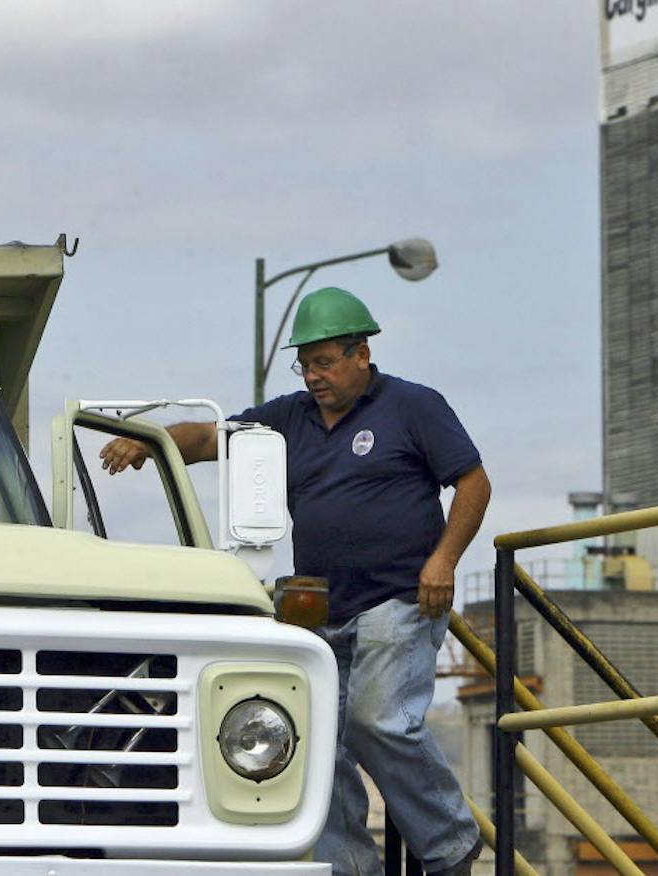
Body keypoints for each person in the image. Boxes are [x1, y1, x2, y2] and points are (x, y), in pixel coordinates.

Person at [100, 286, 489, 876]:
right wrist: (149, 441)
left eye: (325, 362)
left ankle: (451, 843)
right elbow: (208, 438)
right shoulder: (288, 417)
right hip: (321, 610)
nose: (313, 376)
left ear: (362, 354)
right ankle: (349, 866)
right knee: (313, 744)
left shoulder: (413, 406)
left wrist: (443, 562)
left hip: (399, 597)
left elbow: (474, 483)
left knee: (376, 719)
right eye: (305, 364)